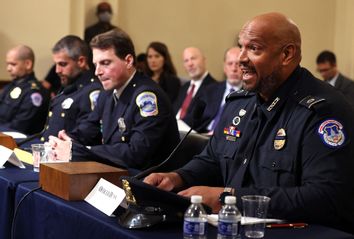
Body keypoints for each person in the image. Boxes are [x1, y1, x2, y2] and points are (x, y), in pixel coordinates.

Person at [144, 12, 354, 233]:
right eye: (240, 47)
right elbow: (213, 159)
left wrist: (228, 198)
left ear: (286, 54)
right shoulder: (239, 103)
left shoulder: (323, 111)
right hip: (232, 228)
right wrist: (177, 177)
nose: (241, 58)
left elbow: (325, 197)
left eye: (254, 48)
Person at [48, 29, 180, 172]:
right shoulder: (108, 93)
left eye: (105, 63)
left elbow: (136, 154)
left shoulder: (147, 96)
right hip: (116, 174)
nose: (97, 71)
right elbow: (90, 129)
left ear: (128, 61)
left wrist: (83, 150)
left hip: (146, 182)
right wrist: (68, 139)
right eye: (96, 64)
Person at [41, 35, 102, 142]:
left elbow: (85, 135)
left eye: (63, 64)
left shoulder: (92, 92)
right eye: (56, 64)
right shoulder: (68, 88)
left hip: (70, 156)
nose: (57, 70)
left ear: (81, 61)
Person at [0, 45, 50, 135]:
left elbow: (19, 127)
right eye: (7, 64)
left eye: (13, 64)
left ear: (28, 64)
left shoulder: (35, 93)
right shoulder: (9, 87)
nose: (8, 69)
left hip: (20, 142)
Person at [197, 47, 243, 134]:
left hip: (226, 137)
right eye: (230, 64)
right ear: (224, 67)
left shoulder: (250, 96)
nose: (234, 69)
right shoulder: (210, 90)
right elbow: (196, 121)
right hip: (202, 134)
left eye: (238, 64)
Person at [174, 47, 216, 130]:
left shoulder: (214, 88)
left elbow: (201, 119)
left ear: (204, 60)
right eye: (186, 60)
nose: (190, 64)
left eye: (193, 58)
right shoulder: (184, 87)